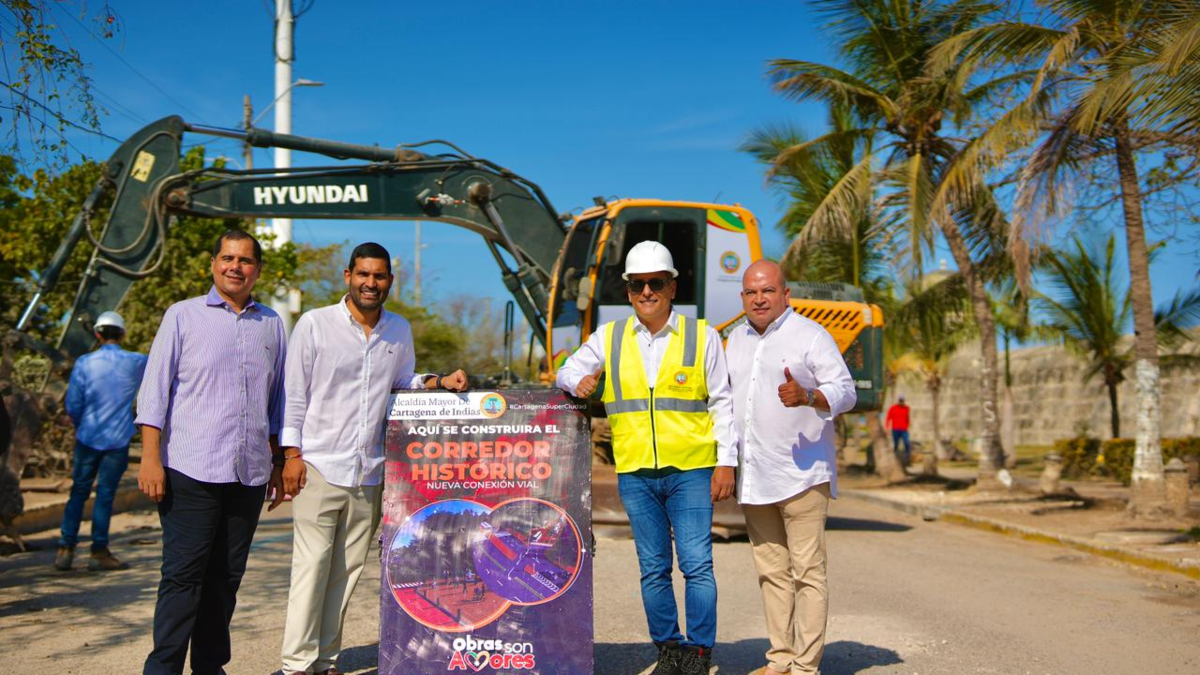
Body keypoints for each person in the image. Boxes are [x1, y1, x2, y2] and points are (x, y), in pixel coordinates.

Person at [279, 242, 467, 675]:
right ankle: (295, 665)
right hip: (318, 466)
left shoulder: (398, 329)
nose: (371, 283)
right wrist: (291, 454)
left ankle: (325, 661)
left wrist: (440, 381)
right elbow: (294, 393)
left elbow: (403, 382)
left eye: (379, 276)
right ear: (348, 276)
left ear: (389, 282)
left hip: (369, 471)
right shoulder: (315, 324)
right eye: (363, 274)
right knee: (310, 569)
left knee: (345, 575)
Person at [555, 240, 736, 675]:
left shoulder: (702, 336)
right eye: (638, 285)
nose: (647, 292)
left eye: (657, 283)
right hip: (636, 471)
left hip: (692, 468)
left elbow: (722, 403)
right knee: (653, 568)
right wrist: (579, 382)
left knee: (696, 565)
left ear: (673, 287)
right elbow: (565, 368)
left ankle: (699, 653)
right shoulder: (610, 337)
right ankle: (669, 651)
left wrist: (726, 461)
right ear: (629, 290)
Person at [136, 229, 288, 675]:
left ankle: (209, 667)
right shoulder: (182, 316)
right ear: (213, 264)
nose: (234, 267)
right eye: (227, 258)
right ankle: (162, 668)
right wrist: (150, 458)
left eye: (244, 260)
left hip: (248, 473)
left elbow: (276, 401)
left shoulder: (272, 324)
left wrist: (278, 462)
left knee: (225, 580)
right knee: (183, 577)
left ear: (257, 270)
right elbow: (154, 391)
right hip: (190, 468)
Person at [725, 260, 856, 675]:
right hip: (756, 476)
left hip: (802, 475)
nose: (759, 298)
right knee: (772, 574)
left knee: (808, 574)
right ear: (742, 298)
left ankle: (805, 667)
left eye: (767, 290)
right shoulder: (734, 339)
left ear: (785, 294)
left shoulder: (811, 335)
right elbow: (726, 405)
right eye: (751, 292)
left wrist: (809, 396)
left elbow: (846, 391)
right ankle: (779, 660)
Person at [54, 311, 147, 572]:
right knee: (105, 496)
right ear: (123, 334)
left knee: (78, 493)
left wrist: (77, 420)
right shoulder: (136, 361)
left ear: (97, 334)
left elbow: (74, 403)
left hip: (87, 437)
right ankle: (98, 551)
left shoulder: (84, 363)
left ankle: (65, 549)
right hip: (117, 440)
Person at [885, 395, 911, 466]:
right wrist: (887, 427)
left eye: (902, 401)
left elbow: (907, 417)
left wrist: (908, 425)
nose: (901, 402)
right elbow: (888, 418)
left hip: (904, 429)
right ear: (898, 401)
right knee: (896, 444)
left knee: (907, 443)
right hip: (895, 429)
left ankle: (907, 458)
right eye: (900, 400)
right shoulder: (893, 408)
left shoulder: (907, 408)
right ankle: (895, 459)